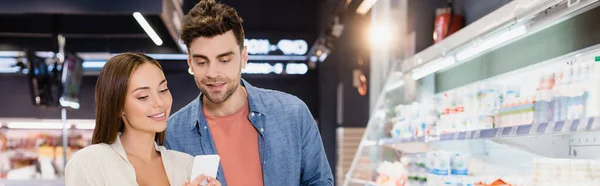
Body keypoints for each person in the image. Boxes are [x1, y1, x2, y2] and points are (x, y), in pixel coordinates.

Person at [165, 0, 334, 185]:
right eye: (201, 62)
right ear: (190, 62)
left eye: (224, 60)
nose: (212, 73)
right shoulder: (172, 134)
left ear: (244, 57)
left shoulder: (293, 114)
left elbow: (319, 181)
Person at [64, 53, 221, 186]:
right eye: (143, 97)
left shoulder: (186, 165)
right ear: (118, 107)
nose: (160, 102)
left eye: (163, 89)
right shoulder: (88, 164)